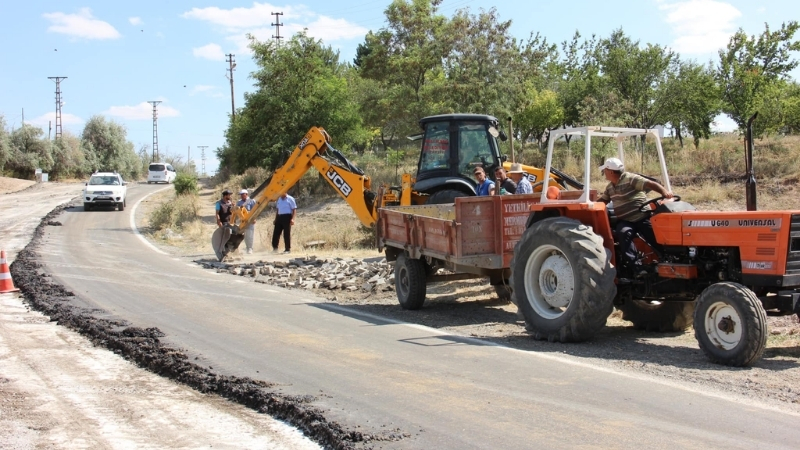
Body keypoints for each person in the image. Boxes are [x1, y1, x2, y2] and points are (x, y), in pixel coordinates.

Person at [597, 157, 673, 277]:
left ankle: (668, 259)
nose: (604, 173)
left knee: (654, 236)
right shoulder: (610, 187)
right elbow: (603, 201)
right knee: (623, 233)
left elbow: (651, 184)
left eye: (605, 170)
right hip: (626, 221)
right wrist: (590, 204)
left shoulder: (630, 179)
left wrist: (664, 192)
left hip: (641, 217)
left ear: (611, 171)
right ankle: (638, 268)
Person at [237, 189, 257, 254]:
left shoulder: (252, 201)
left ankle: (250, 248)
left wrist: (254, 218)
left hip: (250, 219)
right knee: (245, 234)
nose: (242, 196)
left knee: (250, 234)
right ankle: (247, 247)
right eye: (241, 195)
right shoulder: (239, 202)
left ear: (246, 194)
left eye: (243, 194)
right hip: (243, 220)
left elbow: (255, 210)